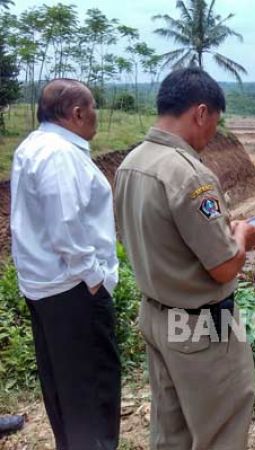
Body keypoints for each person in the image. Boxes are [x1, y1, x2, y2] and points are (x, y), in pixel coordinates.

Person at [115, 68, 255, 449]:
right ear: (200, 112)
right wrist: (241, 236)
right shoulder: (188, 175)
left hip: (156, 315)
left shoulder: (132, 162)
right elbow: (224, 266)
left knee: (171, 431)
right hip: (200, 329)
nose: (212, 134)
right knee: (222, 431)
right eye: (214, 122)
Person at [10, 79, 121, 449]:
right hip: (74, 292)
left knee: (65, 391)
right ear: (76, 113)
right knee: (93, 394)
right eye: (93, 109)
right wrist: (95, 278)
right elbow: (66, 227)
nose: (96, 116)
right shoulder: (60, 154)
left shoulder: (33, 145)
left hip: (48, 289)